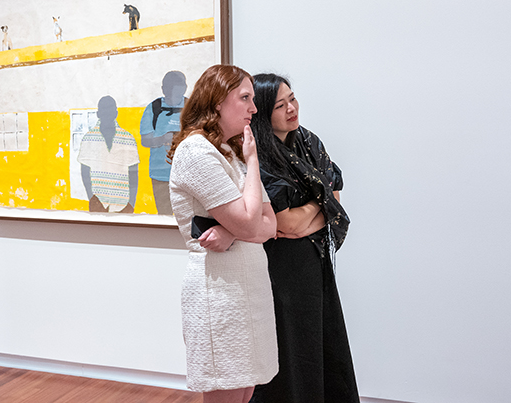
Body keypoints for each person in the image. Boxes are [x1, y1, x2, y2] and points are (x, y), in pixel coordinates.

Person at [168, 65, 278, 403]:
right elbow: (250, 220)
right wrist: (254, 159)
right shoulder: (196, 152)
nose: (254, 109)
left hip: (244, 287)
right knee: (228, 392)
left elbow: (271, 222)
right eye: (244, 98)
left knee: (244, 390)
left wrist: (231, 232)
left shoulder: (226, 151)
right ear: (217, 102)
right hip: (219, 291)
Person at [248, 73, 359, 403]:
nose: (292, 109)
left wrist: (313, 211)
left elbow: (332, 200)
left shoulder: (309, 142)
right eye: (281, 105)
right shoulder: (259, 156)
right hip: (279, 267)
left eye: (293, 99)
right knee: (291, 349)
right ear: (264, 113)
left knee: (324, 342)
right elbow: (285, 223)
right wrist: (321, 205)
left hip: (315, 260)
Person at [78, 95, 139, 213]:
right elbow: (84, 171)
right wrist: (91, 198)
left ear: (116, 113)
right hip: (98, 202)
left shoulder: (128, 138)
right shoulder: (88, 138)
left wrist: (131, 203)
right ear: (98, 114)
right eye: (104, 110)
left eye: (110, 110)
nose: (107, 113)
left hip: (123, 204)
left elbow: (134, 173)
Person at [140, 70, 187, 214]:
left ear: (184, 88)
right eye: (169, 87)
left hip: (187, 174)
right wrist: (162, 139)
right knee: (164, 216)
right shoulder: (153, 108)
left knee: (187, 217)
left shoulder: (192, 107)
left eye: (177, 87)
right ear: (163, 89)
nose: (173, 91)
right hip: (160, 175)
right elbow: (145, 141)